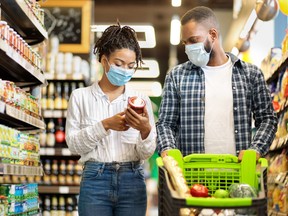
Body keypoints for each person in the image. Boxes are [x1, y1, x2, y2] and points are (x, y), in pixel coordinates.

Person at [156, 6, 277, 160]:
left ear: (213, 34)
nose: (188, 48)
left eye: (193, 40)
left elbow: (267, 118)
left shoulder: (250, 74)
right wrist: (168, 149)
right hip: (192, 174)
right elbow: (165, 123)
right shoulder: (177, 76)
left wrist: (256, 149)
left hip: (237, 173)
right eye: (185, 42)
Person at [65, 23, 156, 216]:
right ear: (104, 61)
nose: (125, 70)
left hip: (132, 179)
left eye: (131, 66)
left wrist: (145, 130)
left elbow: (146, 153)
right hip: (94, 181)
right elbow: (74, 146)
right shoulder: (80, 97)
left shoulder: (141, 100)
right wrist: (105, 125)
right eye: (119, 63)